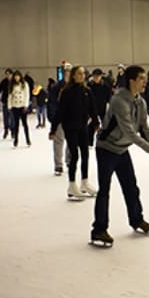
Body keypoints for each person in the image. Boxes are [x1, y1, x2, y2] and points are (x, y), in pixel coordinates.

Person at [90, 65, 149, 248]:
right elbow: (130, 132)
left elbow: (145, 128)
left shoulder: (140, 102)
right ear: (131, 80)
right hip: (107, 149)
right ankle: (99, 229)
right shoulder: (119, 101)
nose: (145, 82)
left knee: (131, 187)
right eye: (141, 79)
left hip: (122, 150)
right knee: (104, 191)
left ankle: (136, 219)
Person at [50, 66, 100, 200]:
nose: (82, 76)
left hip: (83, 126)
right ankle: (72, 185)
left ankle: (84, 182)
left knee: (86, 154)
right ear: (73, 75)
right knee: (75, 155)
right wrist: (53, 129)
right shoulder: (66, 92)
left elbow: (92, 109)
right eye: (79, 73)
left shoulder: (87, 91)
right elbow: (60, 111)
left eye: (83, 73)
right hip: (70, 127)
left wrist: (96, 123)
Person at [47, 72, 67, 176]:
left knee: (72, 142)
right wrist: (52, 117)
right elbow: (51, 103)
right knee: (58, 141)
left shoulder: (77, 86)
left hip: (73, 119)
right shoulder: (56, 87)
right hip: (59, 118)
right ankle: (58, 165)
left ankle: (69, 161)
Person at [88, 69, 113, 151]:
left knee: (105, 125)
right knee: (91, 125)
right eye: (95, 76)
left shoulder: (105, 85)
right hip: (92, 108)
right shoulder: (90, 85)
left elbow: (109, 97)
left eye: (98, 76)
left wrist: (109, 106)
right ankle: (90, 142)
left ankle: (104, 141)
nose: (96, 78)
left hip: (103, 108)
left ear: (101, 76)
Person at [8, 70, 31, 147]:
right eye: (15, 76)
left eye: (18, 76)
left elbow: (27, 95)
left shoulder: (24, 84)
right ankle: (16, 139)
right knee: (16, 124)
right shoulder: (12, 85)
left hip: (22, 106)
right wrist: (9, 105)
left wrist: (26, 105)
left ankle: (28, 139)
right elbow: (10, 96)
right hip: (15, 106)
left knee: (25, 123)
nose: (17, 78)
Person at [0, 69, 14, 139]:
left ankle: (13, 130)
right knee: (6, 117)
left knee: (12, 117)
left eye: (9, 74)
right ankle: (6, 129)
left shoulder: (14, 82)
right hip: (5, 101)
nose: (8, 76)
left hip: (13, 102)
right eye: (6, 74)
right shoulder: (4, 81)